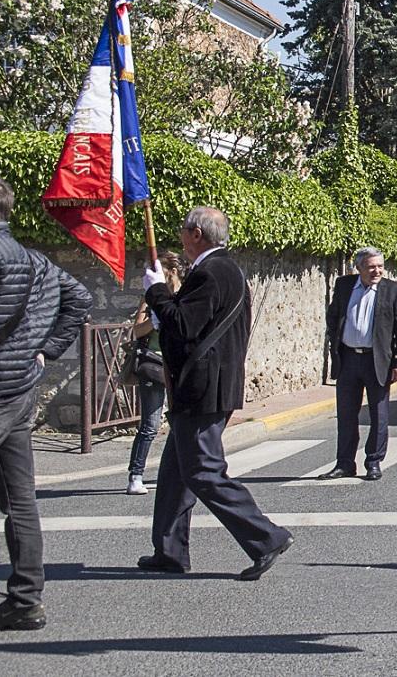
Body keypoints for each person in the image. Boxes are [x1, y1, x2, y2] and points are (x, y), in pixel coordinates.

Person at [138, 206, 293, 581]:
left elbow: (183, 325)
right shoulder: (222, 269)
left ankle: (266, 537)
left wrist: (156, 291)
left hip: (203, 388)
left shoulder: (211, 272)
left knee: (203, 471)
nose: (180, 235)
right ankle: (170, 551)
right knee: (175, 473)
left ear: (196, 234)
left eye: (183, 229)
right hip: (205, 385)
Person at [0, 175, 92, 631]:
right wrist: (45, 349)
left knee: (19, 499)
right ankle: (26, 599)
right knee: (20, 500)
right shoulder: (36, 261)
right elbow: (81, 298)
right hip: (20, 390)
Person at [320, 247, 397, 482]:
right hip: (348, 359)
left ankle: (374, 462)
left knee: (378, 414)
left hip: (377, 360)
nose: (377, 271)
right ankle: (344, 463)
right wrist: (334, 342)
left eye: (380, 266)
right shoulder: (344, 285)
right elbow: (333, 316)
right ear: (358, 268)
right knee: (346, 414)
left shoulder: (393, 290)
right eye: (371, 267)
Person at [126, 250, 184, 495]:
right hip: (153, 365)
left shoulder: (185, 296)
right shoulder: (149, 298)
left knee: (182, 423)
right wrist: (154, 318)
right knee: (150, 424)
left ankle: (179, 473)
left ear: (172, 271)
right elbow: (137, 331)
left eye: (158, 270)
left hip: (179, 366)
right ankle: (135, 476)